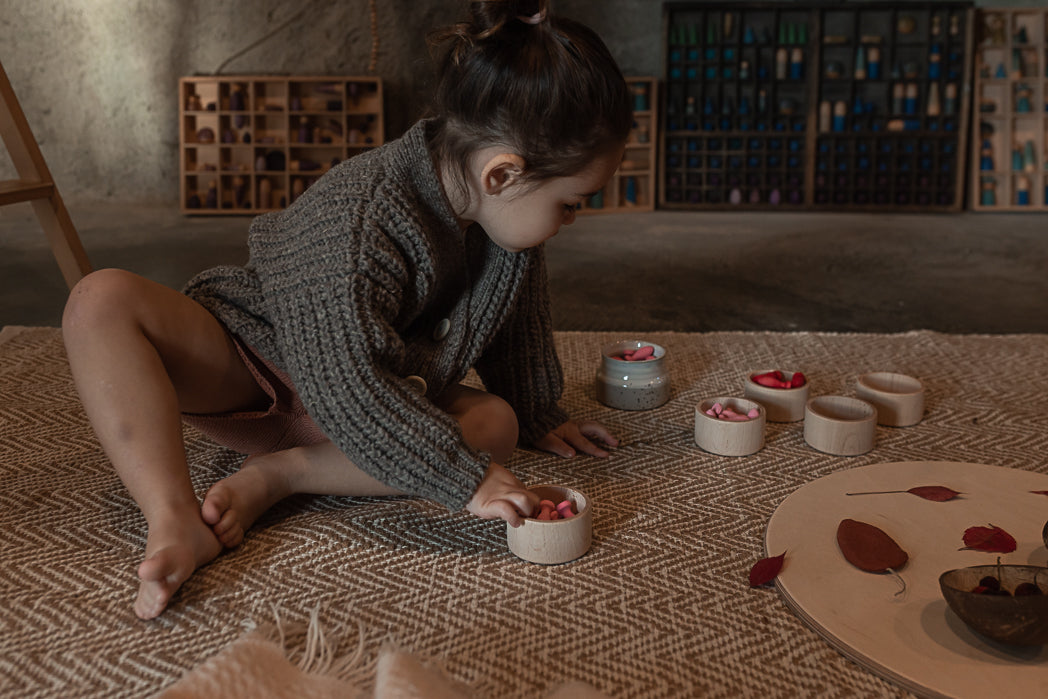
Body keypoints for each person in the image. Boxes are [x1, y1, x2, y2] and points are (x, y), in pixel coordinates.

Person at [62, 0, 633, 620]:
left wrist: (537, 409)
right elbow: (344, 386)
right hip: (260, 365)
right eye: (572, 203)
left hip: (373, 397)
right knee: (100, 299)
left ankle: (285, 474)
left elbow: (512, 327)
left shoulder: (507, 225)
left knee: (496, 426)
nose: (572, 220)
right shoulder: (363, 216)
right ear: (502, 174)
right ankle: (173, 516)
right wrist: (463, 478)